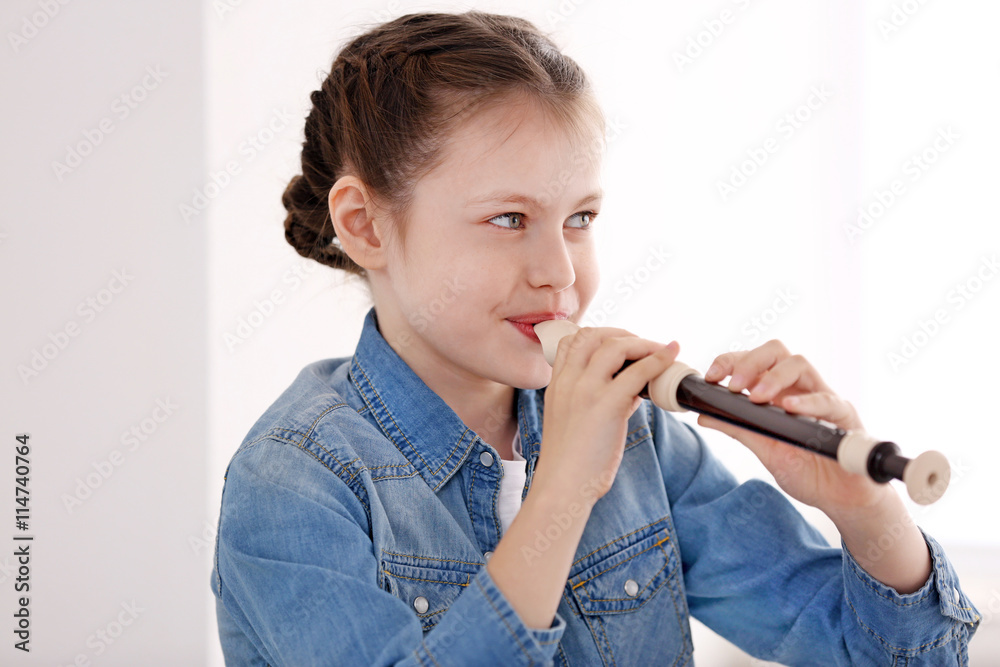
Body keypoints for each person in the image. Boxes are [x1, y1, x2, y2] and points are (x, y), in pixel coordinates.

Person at [209, 10, 980, 666]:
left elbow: (892, 652)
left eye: (579, 219)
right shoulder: (294, 482)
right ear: (365, 224)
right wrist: (565, 488)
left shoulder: (638, 435)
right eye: (508, 219)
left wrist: (866, 510)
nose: (559, 272)